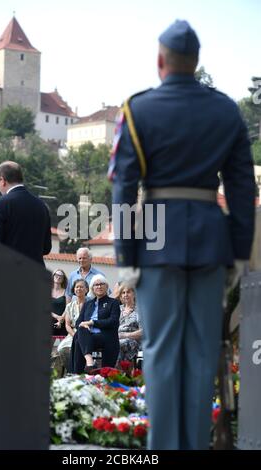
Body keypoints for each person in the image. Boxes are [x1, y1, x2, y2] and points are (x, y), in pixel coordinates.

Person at [109, 20, 255, 450]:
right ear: (196, 63)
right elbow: (243, 188)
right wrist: (240, 252)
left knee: (159, 353)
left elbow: (122, 187)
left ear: (160, 62)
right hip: (211, 242)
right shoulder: (226, 110)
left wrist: (126, 256)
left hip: (155, 241)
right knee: (201, 354)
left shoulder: (138, 110)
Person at [0, 161, 51, 265]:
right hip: (36, 275)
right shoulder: (42, 206)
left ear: (2, 180)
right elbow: (46, 248)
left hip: (10, 273)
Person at [72, 274, 120, 374]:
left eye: (101, 284)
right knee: (81, 329)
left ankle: (77, 374)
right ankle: (89, 362)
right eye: (96, 285)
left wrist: (92, 323)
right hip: (87, 336)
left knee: (78, 338)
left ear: (106, 287)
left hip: (105, 336)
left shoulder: (113, 303)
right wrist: (85, 325)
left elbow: (113, 321)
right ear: (92, 288)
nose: (99, 286)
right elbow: (77, 323)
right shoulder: (88, 304)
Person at [56, 278, 89, 374]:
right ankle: (72, 372)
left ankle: (83, 371)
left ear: (86, 289)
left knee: (80, 349)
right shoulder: (69, 306)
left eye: (81, 287)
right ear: (74, 289)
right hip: (72, 333)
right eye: (77, 287)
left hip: (87, 332)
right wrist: (74, 335)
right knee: (61, 349)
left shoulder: (91, 304)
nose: (79, 289)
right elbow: (67, 324)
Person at [117, 284, 142, 363]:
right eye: (123, 293)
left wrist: (124, 335)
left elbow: (143, 331)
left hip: (133, 340)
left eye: (128, 292)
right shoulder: (117, 309)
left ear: (134, 294)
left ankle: (117, 371)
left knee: (117, 345)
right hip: (116, 338)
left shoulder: (139, 310)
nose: (125, 295)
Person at [51, 269, 68, 337]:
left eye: (61, 276)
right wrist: (57, 317)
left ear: (63, 279)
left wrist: (60, 321)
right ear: (53, 276)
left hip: (63, 322)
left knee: (63, 347)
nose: (58, 277)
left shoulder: (66, 292)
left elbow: (68, 307)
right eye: (56, 275)